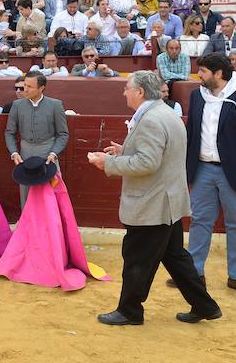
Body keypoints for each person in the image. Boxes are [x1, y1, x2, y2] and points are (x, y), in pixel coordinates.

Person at [88, 70, 220, 326]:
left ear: (139, 92)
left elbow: (147, 162)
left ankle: (130, 311)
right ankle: (205, 306)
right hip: (166, 201)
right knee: (175, 257)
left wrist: (109, 162)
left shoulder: (149, 119)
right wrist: (123, 150)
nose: (124, 92)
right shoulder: (166, 113)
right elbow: (161, 153)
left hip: (152, 202)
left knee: (137, 258)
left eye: (127, 88)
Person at [184, 54, 236, 301]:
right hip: (203, 169)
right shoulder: (197, 95)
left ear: (218, 74)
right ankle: (194, 273)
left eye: (202, 71)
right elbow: (191, 133)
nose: (199, 75)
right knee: (200, 220)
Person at [6, 70, 69, 207]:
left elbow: (63, 134)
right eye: (25, 85)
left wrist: (54, 153)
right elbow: (10, 132)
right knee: (26, 194)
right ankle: (28, 226)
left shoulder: (55, 105)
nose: (25, 89)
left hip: (48, 155)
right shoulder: (17, 105)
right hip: (25, 154)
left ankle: (51, 227)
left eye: (30, 86)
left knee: (51, 194)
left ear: (41, 88)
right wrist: (14, 152)